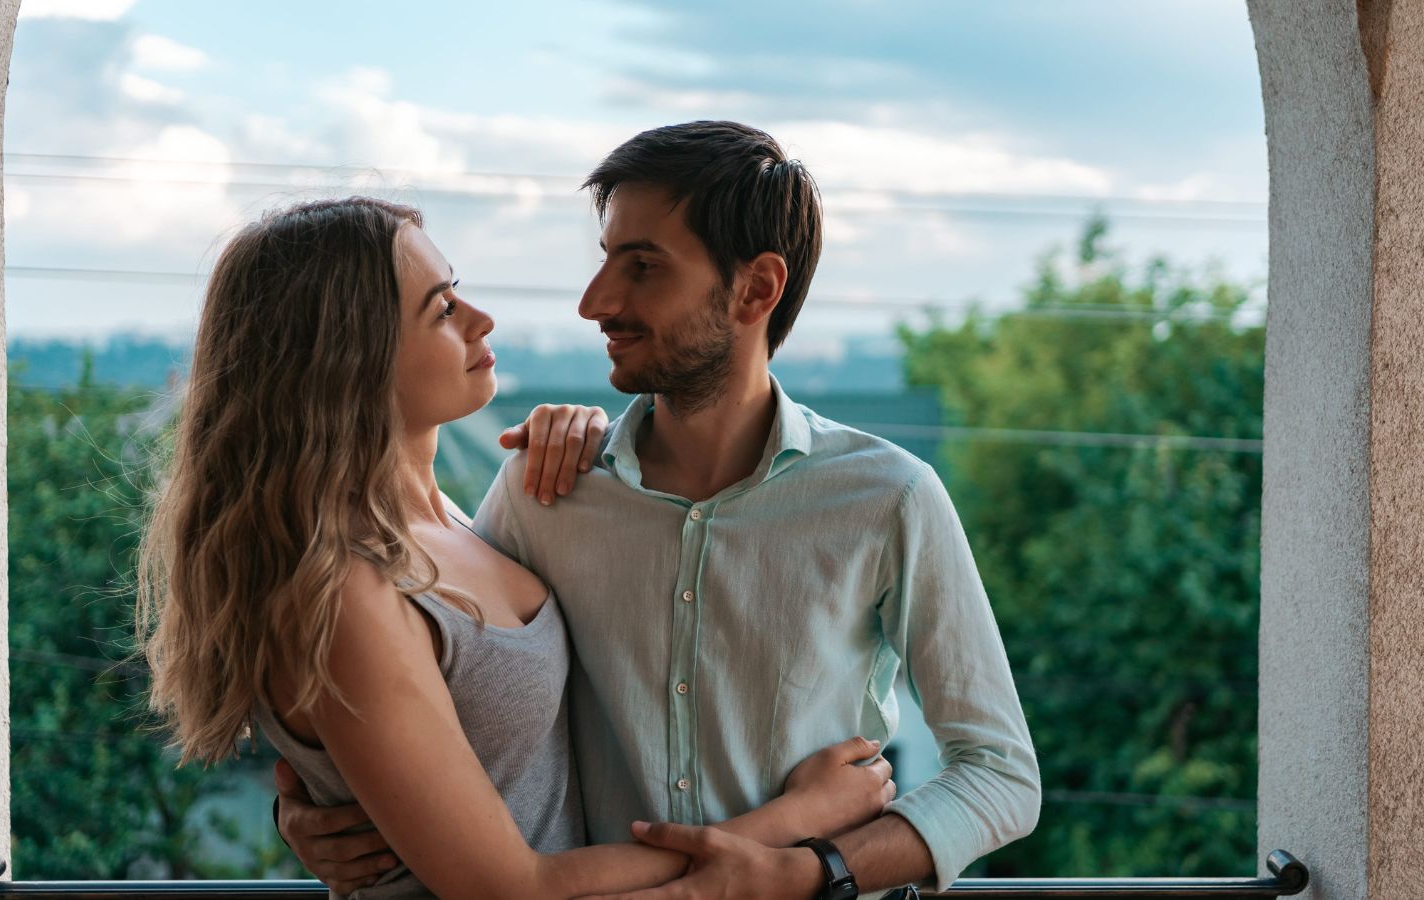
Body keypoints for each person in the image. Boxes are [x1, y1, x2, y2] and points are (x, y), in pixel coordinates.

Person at [278, 122, 1041, 900]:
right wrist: (311, 804)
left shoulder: (889, 498)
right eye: (606, 260)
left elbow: (1000, 775)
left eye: (641, 268)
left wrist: (816, 871)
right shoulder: (545, 489)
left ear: (755, 290)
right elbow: (438, 681)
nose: (595, 301)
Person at [136, 196, 897, 900]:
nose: (481, 320)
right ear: (349, 356)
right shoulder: (347, 592)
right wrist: (796, 819)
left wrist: (598, 444)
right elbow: (509, 888)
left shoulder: (460, 523)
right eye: (443, 310)